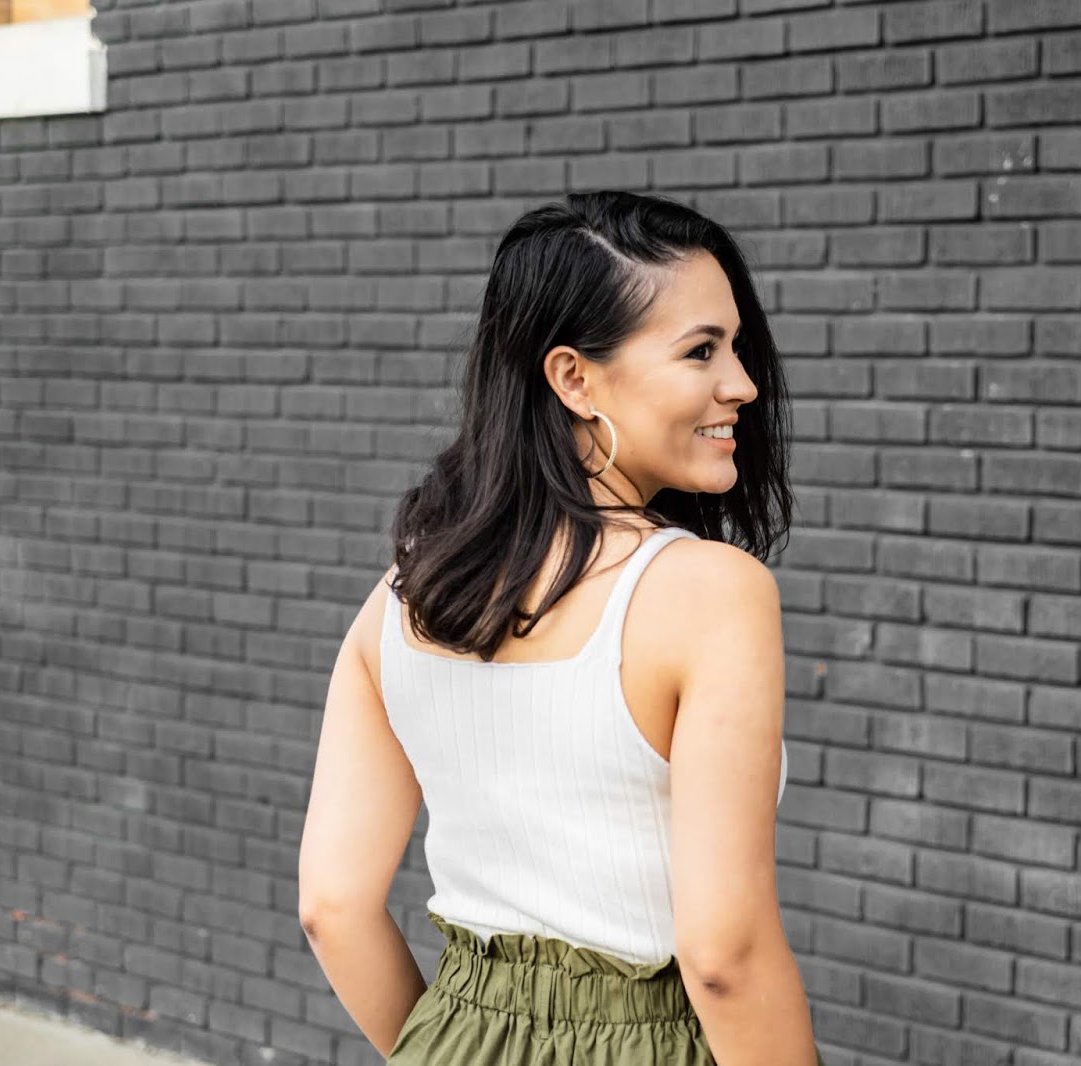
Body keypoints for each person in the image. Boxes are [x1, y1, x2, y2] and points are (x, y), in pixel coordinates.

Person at [296, 190, 826, 1065]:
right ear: (574, 378)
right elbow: (724, 959)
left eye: (737, 347)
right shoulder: (710, 592)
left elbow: (332, 906)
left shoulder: (405, 597)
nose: (743, 384)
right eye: (701, 350)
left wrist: (444, 1047)